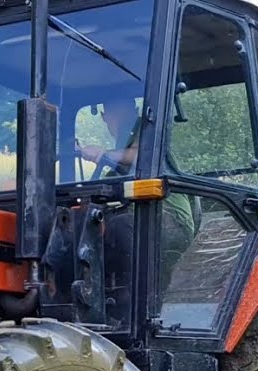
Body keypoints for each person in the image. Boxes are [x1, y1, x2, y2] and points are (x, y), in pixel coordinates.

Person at [79, 95, 197, 294]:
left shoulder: (146, 126)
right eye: (116, 113)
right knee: (84, 225)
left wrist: (102, 153)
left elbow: (142, 154)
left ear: (134, 111)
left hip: (169, 216)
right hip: (140, 214)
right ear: (104, 117)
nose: (122, 118)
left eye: (126, 110)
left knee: (119, 227)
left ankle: (140, 298)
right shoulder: (118, 157)